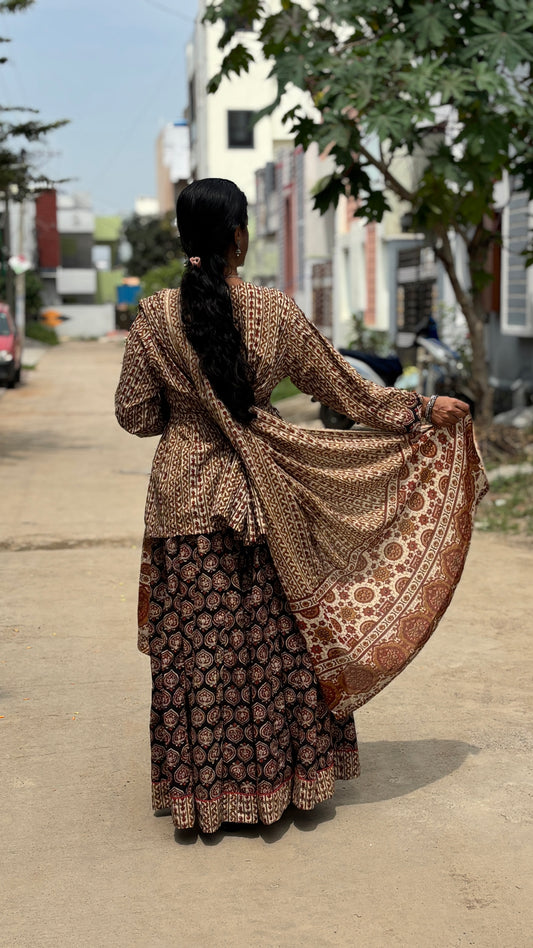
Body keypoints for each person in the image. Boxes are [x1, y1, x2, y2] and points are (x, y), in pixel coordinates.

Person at [115, 178, 488, 835]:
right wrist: (423, 409)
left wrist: (186, 407)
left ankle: (203, 800)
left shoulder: (152, 318)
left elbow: (135, 415)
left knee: (198, 656)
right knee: (274, 648)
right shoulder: (274, 313)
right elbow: (344, 388)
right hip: (268, 500)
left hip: (182, 505)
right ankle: (282, 787)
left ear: (184, 237)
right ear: (237, 236)